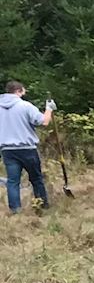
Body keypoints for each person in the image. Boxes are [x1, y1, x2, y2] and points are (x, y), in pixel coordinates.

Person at [0, 81, 54, 213]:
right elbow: (44, 121)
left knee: (13, 181)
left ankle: (15, 210)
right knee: (36, 179)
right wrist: (49, 108)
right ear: (19, 91)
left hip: (7, 150)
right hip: (27, 148)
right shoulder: (25, 106)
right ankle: (42, 206)